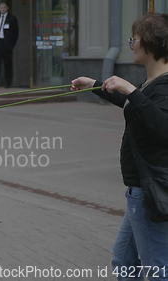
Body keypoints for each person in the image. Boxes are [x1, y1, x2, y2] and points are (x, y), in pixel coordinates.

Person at [71, 14, 168, 280]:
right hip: (140, 190)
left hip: (150, 191)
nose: (131, 44)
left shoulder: (164, 86)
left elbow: (162, 127)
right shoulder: (151, 84)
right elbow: (132, 105)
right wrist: (93, 84)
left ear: (150, 44)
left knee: (158, 269)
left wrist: (131, 92)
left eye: (133, 39)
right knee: (124, 262)